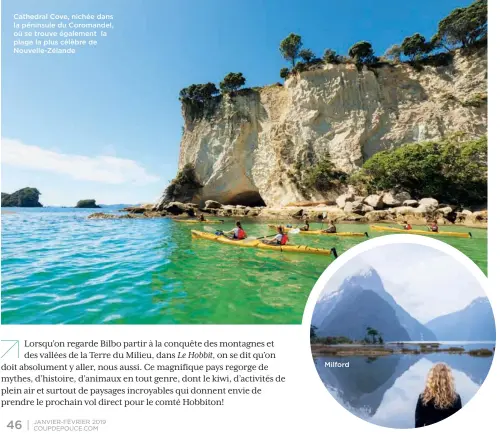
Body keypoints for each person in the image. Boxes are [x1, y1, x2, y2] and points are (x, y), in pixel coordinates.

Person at [415, 363, 462, 428]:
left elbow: (418, 424)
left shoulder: (423, 398)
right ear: (449, 379)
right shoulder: (456, 398)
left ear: (431, 378)